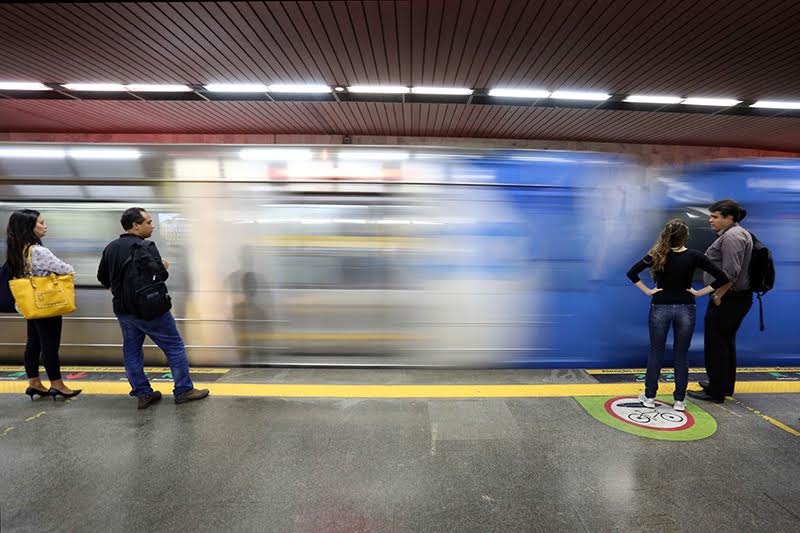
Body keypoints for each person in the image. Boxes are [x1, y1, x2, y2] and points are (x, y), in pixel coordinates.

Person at [97, 207, 208, 409]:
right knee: (174, 346)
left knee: (132, 351)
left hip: (124, 310)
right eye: (148, 222)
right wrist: (163, 267)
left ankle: (143, 394)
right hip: (151, 310)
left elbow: (102, 277)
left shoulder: (111, 247)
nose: (152, 225)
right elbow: (160, 276)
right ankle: (184, 390)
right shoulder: (146, 246)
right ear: (135, 225)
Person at [627, 219, 730, 411]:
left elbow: (632, 273)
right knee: (681, 355)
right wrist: (700, 293)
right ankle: (679, 401)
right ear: (686, 237)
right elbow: (723, 277)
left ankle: (649, 397)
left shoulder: (657, 254)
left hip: (660, 307)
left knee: (656, 352)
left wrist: (648, 291)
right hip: (686, 308)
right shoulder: (695, 256)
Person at [5, 209, 81, 400]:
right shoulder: (38, 250)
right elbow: (66, 269)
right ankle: (57, 384)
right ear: (29, 227)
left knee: (33, 344)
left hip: (29, 305)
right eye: (40, 222)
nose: (44, 226)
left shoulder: (17, 249)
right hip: (47, 304)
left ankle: (35, 383)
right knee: (50, 346)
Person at [688, 200, 753, 404]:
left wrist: (717, 296)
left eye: (715, 216)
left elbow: (730, 273)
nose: (710, 220)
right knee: (725, 343)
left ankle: (715, 392)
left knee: (716, 344)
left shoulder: (732, 236)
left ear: (729, 218)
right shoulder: (735, 233)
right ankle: (723, 386)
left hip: (728, 298)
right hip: (734, 297)